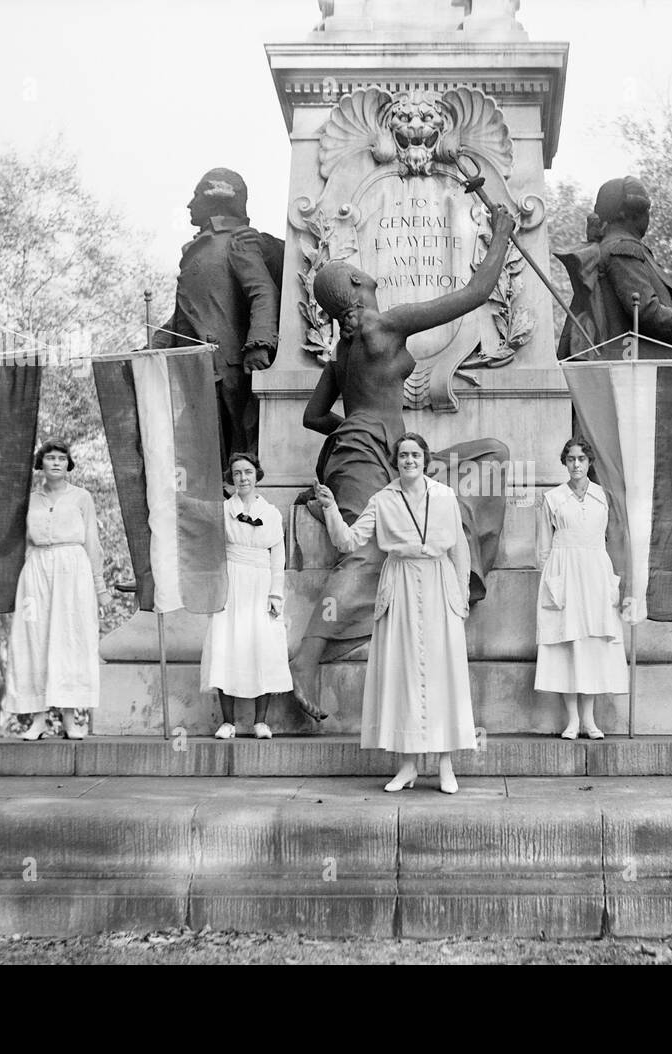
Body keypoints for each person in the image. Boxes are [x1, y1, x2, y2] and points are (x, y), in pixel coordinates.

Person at [289, 204, 517, 717]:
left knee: (489, 458)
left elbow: (312, 416)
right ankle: (306, 656)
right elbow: (477, 294)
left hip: (388, 452)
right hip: (368, 453)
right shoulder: (386, 324)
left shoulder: (343, 350)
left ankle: (456, 583)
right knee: (365, 549)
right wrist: (501, 231)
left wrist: (351, 428)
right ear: (355, 281)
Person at [315, 433, 474, 794]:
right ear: (395, 461)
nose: (408, 461)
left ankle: (445, 765)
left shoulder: (445, 496)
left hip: (438, 583)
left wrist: (461, 595)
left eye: (414, 455)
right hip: (400, 584)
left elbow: (459, 548)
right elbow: (348, 541)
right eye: (402, 455)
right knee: (402, 676)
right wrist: (330, 508)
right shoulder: (383, 500)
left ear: (425, 459)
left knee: (442, 675)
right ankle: (407, 766)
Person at [151, 167, 283, 471]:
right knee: (197, 457)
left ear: (218, 199)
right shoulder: (200, 249)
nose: (189, 204)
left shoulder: (238, 241)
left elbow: (263, 292)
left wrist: (258, 344)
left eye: (196, 195)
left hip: (229, 371)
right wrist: (153, 345)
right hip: (196, 370)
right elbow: (188, 315)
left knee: (232, 457)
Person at [5, 439, 108, 740]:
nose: (56, 463)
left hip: (73, 570)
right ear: (41, 463)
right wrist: (20, 584)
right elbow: (21, 543)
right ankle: (37, 720)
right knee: (33, 640)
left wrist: (99, 585)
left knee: (71, 639)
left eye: (61, 459)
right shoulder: (30, 500)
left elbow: (92, 541)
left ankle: (70, 720)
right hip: (36, 571)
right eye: (50, 458)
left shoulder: (81, 498)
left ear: (68, 464)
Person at [200, 451, 302, 738]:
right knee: (225, 643)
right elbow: (212, 552)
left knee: (263, 646)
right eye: (237, 474)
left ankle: (261, 721)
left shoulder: (270, 514)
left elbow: (278, 556)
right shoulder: (223, 511)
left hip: (260, 583)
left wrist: (275, 594)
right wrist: (214, 589)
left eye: (247, 472)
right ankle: (228, 722)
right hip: (231, 583)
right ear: (231, 479)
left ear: (257, 475)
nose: (243, 478)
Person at [556, 175, 672, 361]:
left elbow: (652, 311)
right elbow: (646, 313)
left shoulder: (625, 248)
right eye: (647, 210)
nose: (649, 216)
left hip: (638, 369)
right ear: (632, 214)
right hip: (632, 372)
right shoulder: (622, 250)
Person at [535, 438, 628, 739]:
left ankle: (590, 720)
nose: (576, 464)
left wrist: (617, 580)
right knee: (567, 646)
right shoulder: (552, 499)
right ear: (564, 462)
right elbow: (542, 549)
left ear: (589, 463)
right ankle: (572, 720)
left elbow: (614, 540)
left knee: (592, 645)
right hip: (564, 574)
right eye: (571, 459)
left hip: (596, 575)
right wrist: (552, 582)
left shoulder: (603, 497)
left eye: (582, 459)